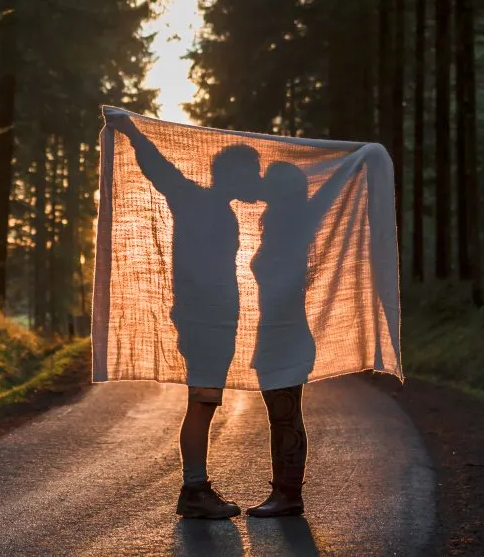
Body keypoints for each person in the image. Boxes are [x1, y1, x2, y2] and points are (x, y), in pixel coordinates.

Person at [120, 120, 262, 519]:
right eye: (252, 173)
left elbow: (265, 192)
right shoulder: (195, 199)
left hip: (212, 320)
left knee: (206, 402)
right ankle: (194, 490)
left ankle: (195, 487)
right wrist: (131, 130)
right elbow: (159, 168)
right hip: (204, 322)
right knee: (202, 402)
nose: (257, 181)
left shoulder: (213, 204)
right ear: (234, 176)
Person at [245, 160, 353, 517]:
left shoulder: (294, 227)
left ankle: (288, 495)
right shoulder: (278, 226)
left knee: (285, 416)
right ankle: (285, 492)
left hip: (287, 335)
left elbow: (327, 196)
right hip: (274, 334)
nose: (261, 185)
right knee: (283, 416)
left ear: (281, 190)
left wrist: (357, 160)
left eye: (269, 182)